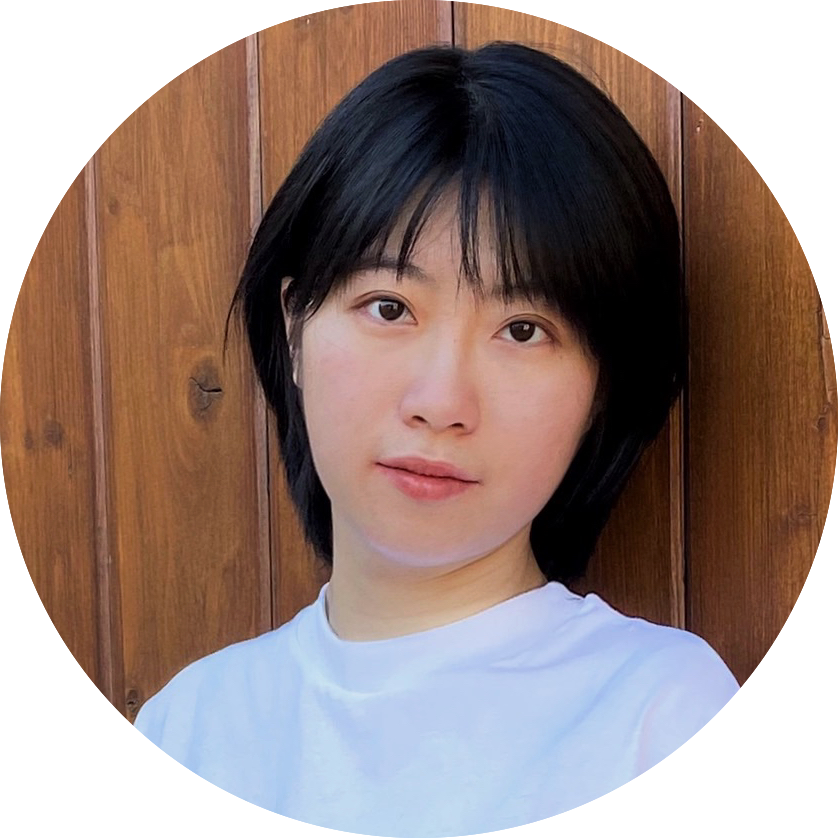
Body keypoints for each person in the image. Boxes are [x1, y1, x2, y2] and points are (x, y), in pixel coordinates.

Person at [133, 42, 739, 832]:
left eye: (523, 329)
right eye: (388, 307)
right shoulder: (191, 724)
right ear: (294, 331)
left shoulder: (658, 713)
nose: (441, 402)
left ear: (602, 390)